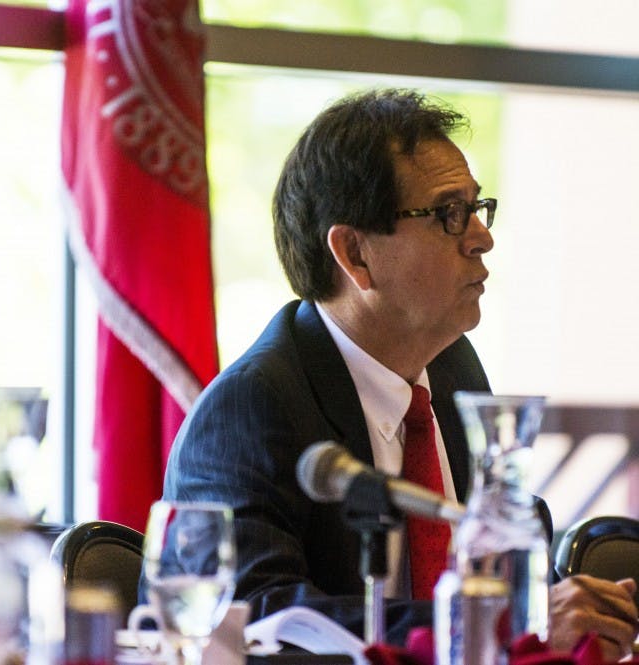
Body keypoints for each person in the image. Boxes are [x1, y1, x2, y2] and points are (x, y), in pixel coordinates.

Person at [160, 88, 638, 657]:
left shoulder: (453, 368)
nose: (482, 238)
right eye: (448, 214)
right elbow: (253, 618)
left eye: (477, 209)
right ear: (354, 254)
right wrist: (493, 626)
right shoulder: (252, 407)